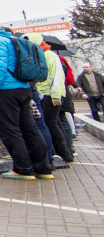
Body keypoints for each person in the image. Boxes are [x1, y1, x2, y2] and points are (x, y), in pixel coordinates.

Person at [0, 17, 52, 180]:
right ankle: (43, 168)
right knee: (29, 128)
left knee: (10, 130)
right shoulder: (10, 39)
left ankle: (23, 169)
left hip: (4, 91)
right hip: (22, 88)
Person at [26, 33, 73, 163]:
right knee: (53, 123)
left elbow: (57, 75)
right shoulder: (37, 54)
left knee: (51, 123)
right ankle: (64, 152)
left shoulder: (49, 55)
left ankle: (65, 153)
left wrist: (56, 94)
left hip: (51, 94)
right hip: (44, 94)